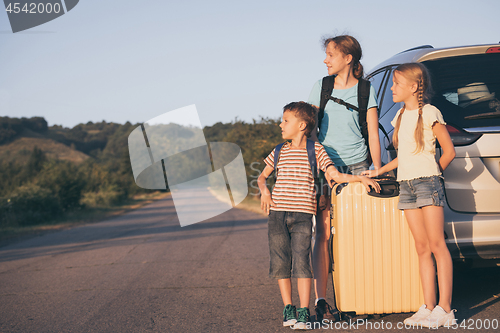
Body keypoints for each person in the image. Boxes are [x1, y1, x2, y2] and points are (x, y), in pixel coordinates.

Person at [257, 101, 380, 330]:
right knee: (281, 262)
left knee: (302, 262)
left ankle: (304, 311)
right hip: (277, 215)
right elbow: (262, 177)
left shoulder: (317, 150)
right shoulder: (279, 151)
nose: (280, 124)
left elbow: (335, 174)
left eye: (286, 120)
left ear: (302, 125)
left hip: (304, 214)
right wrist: (264, 191)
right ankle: (288, 309)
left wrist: (359, 178)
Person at [362, 63, 457, 328]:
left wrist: (433, 174)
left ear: (414, 87)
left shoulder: (430, 113)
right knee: (421, 247)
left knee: (437, 244)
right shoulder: (400, 117)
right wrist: (379, 170)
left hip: (428, 183)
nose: (392, 88)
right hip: (406, 185)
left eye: (396, 84)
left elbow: (449, 151)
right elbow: (404, 158)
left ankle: (445, 308)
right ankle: (428, 307)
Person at [307, 35, 381, 321]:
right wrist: (319, 165)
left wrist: (376, 168)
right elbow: (311, 131)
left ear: (347, 58)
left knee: (360, 233)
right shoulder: (321, 87)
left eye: (330, 54)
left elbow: (373, 133)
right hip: (327, 168)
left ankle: (359, 296)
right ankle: (323, 300)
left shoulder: (366, 90)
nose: (325, 59)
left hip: (359, 165)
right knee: (323, 233)